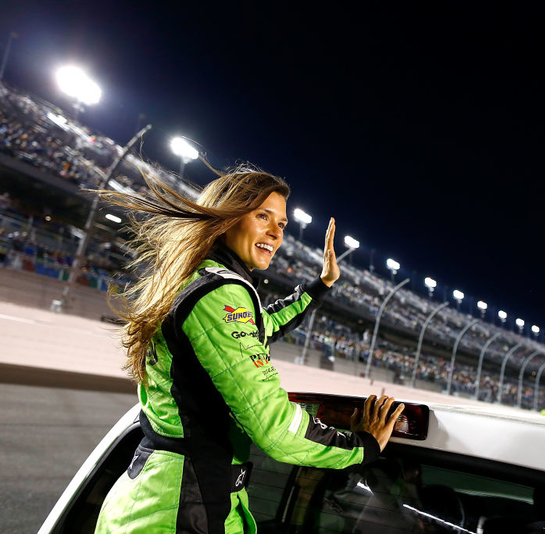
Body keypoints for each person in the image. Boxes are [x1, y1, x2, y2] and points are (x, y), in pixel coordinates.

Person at [94, 165, 404, 533]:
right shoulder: (220, 292)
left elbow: (262, 326)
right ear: (228, 218)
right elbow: (273, 425)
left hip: (168, 498)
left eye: (283, 224)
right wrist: (362, 446)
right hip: (181, 508)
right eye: (263, 216)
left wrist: (321, 285)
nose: (276, 232)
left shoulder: (202, 280)